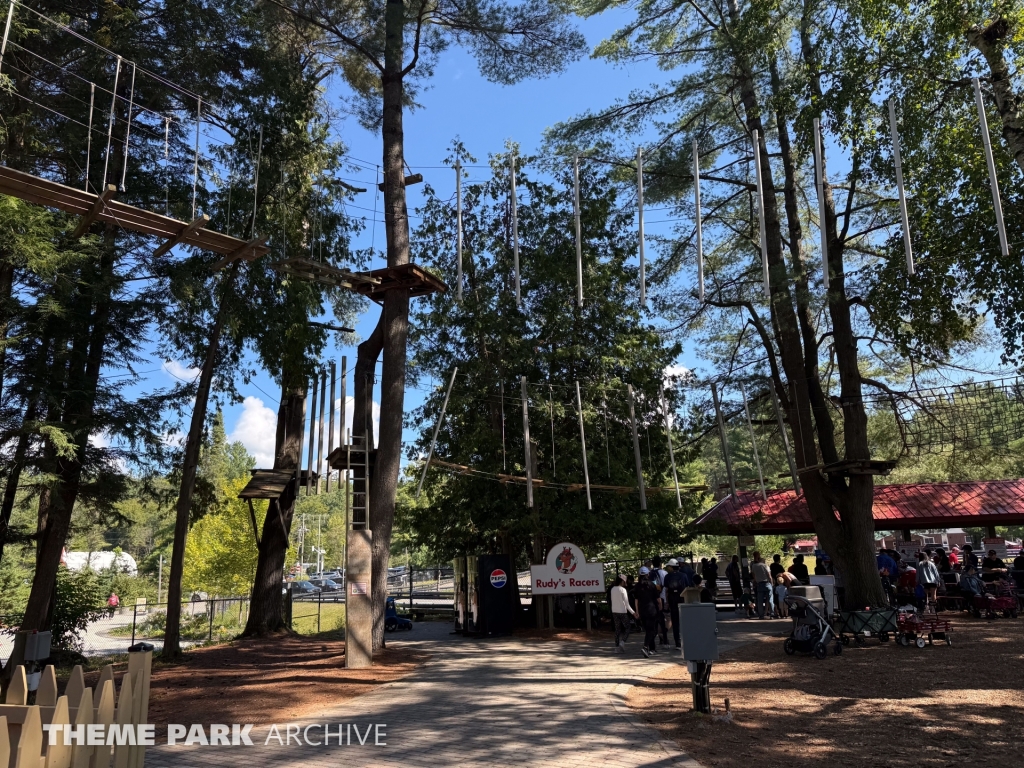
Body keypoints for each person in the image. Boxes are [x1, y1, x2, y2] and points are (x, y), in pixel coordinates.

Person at [633, 568, 662, 658]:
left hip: (642, 610)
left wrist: (637, 611)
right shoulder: (652, 585)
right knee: (651, 630)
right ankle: (645, 647)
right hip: (652, 610)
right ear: (648, 574)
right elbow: (658, 599)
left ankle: (651, 648)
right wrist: (660, 607)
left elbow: (636, 600)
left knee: (648, 630)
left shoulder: (637, 586)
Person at [663, 560, 689, 648]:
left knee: (675, 622)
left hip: (672, 600)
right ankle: (686, 640)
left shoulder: (667, 576)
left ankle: (677, 642)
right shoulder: (683, 575)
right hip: (682, 599)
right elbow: (687, 588)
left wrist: (667, 602)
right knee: (684, 621)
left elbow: (666, 591)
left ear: (671, 567)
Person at [610, 574, 637, 653]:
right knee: (628, 627)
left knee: (617, 629)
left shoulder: (612, 589)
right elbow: (627, 604)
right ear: (622, 581)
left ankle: (616, 647)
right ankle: (622, 642)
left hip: (614, 611)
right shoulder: (623, 590)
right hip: (622, 611)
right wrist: (633, 613)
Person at [652, 557, 669, 645]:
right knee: (666, 619)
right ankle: (663, 635)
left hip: (653, 599)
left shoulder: (650, 573)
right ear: (660, 564)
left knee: (656, 619)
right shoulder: (664, 573)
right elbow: (667, 587)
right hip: (663, 598)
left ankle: (659, 636)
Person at [751, 551, 773, 619]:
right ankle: (772, 614)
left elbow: (754, 576)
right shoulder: (765, 566)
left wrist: (755, 582)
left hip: (759, 584)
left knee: (760, 601)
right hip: (767, 583)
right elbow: (769, 576)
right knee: (770, 600)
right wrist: (771, 583)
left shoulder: (754, 566)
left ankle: (761, 615)